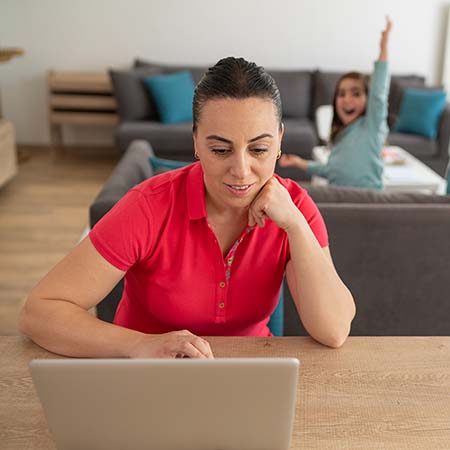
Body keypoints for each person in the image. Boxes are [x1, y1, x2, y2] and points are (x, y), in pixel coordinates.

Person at [19, 57, 355, 358]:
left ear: (280, 140)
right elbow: (40, 312)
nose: (241, 170)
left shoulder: (296, 207)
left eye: (259, 149)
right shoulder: (148, 206)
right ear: (196, 140)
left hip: (251, 377)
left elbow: (334, 330)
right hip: (149, 375)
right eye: (221, 150)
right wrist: (138, 345)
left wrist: (295, 226)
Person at [279, 17, 392, 190]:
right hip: (339, 197)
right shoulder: (340, 136)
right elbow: (331, 171)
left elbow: (379, 94)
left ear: (368, 100)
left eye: (355, 93)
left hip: (368, 199)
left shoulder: (371, 126)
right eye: (341, 94)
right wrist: (300, 163)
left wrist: (383, 47)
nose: (347, 99)